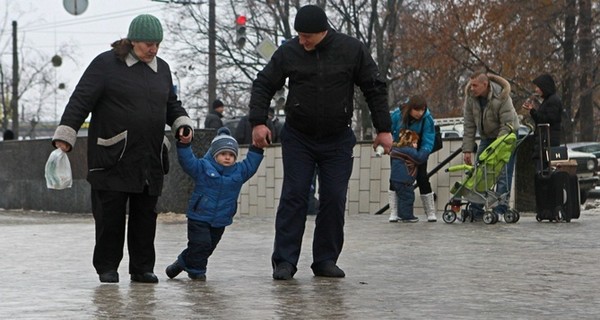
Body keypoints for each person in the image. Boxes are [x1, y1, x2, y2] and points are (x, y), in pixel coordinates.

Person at [248, 5, 392, 280]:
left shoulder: (352, 50)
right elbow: (263, 83)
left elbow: (374, 86)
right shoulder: (290, 51)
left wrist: (383, 129)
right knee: (294, 196)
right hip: (299, 137)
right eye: (299, 35)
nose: (302, 41)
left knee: (334, 198)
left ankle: (325, 259)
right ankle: (285, 261)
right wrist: (258, 122)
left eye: (307, 36)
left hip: (337, 139)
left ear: (323, 31)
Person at [51, 14, 194, 283]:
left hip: (149, 157)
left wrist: (181, 124)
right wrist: (66, 135)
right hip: (112, 155)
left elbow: (171, 103)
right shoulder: (106, 64)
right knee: (110, 218)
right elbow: (80, 100)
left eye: (157, 45)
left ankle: (142, 268)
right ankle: (107, 268)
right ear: (132, 41)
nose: (153, 49)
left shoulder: (162, 69)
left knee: (145, 217)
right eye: (147, 44)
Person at [165, 127, 263, 281]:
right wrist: (184, 145)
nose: (227, 157)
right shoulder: (203, 168)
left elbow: (251, 164)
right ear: (214, 154)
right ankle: (197, 272)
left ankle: (181, 263)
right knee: (201, 244)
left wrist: (257, 148)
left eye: (231, 155)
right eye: (223, 154)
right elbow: (188, 162)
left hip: (221, 219)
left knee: (207, 248)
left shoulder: (239, 172)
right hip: (199, 216)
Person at [462, 70, 520, 219]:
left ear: (485, 84)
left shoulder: (501, 96)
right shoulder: (471, 98)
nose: (472, 88)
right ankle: (476, 208)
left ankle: (500, 208)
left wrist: (497, 148)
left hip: (506, 136)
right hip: (487, 136)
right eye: (471, 85)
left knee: (502, 172)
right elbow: (469, 124)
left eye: (475, 85)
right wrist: (467, 149)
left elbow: (507, 124)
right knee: (480, 171)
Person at [388, 95, 437, 223]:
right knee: (395, 179)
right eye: (417, 110)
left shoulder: (427, 119)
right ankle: (394, 212)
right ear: (410, 108)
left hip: (418, 152)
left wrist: (422, 155)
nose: (420, 113)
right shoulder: (397, 115)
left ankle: (430, 212)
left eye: (422, 110)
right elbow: (388, 130)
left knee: (422, 178)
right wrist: (390, 147)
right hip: (398, 151)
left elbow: (428, 139)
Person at [522, 74, 562, 172]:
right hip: (545, 142)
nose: (536, 90)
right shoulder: (549, 101)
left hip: (547, 143)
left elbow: (546, 119)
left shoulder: (552, 101)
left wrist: (533, 111)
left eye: (538, 87)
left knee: (543, 171)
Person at [390, 129, 430, 222]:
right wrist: (425, 150)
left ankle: (400, 214)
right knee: (408, 197)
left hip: (395, 179)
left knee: (401, 197)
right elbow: (419, 159)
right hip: (405, 180)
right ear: (409, 142)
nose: (416, 145)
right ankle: (406, 216)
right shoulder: (409, 151)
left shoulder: (397, 150)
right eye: (415, 142)